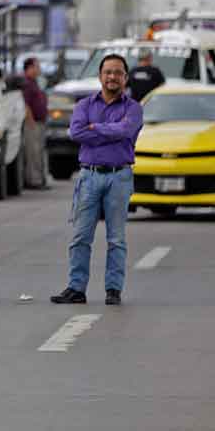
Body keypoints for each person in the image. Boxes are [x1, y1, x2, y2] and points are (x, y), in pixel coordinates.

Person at [51, 54, 143, 306]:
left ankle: (113, 289)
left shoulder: (133, 108)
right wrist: (105, 130)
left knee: (116, 238)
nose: (112, 77)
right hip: (89, 176)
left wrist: (96, 129)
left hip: (119, 176)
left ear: (125, 77)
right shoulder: (84, 105)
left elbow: (126, 130)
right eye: (108, 72)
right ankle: (76, 288)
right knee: (80, 236)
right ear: (100, 76)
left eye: (118, 72)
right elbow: (76, 132)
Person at [21, 56, 49, 189]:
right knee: (33, 153)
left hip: (40, 122)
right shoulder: (26, 83)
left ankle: (40, 179)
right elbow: (25, 104)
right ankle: (34, 181)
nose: (39, 69)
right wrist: (30, 121)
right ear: (29, 68)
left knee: (39, 152)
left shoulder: (35, 82)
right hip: (33, 123)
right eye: (37, 67)